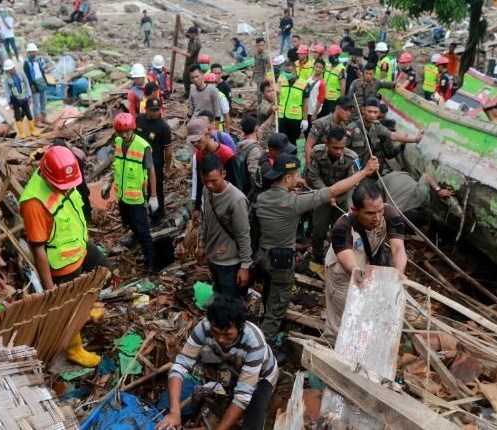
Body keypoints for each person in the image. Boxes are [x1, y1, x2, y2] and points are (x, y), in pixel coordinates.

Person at [254, 153, 379, 343]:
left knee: (269, 293)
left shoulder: (262, 198)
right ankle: (264, 345)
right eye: (296, 176)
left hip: (262, 257)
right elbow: (334, 190)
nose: (298, 179)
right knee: (277, 305)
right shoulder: (293, 203)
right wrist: (364, 172)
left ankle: (262, 325)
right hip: (281, 261)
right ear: (287, 178)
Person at [19, 146, 110, 367]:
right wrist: (50, 287)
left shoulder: (64, 177)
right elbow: (37, 248)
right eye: (62, 186)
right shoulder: (34, 203)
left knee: (105, 271)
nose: (67, 189)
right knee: (69, 307)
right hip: (62, 263)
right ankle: (74, 349)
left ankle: (87, 308)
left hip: (80, 247)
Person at [157, 294, 278, 430]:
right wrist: (174, 412)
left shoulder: (255, 343)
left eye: (227, 334)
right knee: (228, 407)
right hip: (237, 369)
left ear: (240, 327)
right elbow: (180, 366)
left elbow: (243, 396)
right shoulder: (204, 328)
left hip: (263, 376)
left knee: (252, 422)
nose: (220, 339)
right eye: (216, 332)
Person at [322, 181, 407, 343]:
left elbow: (398, 248)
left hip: (364, 266)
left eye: (380, 211)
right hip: (341, 272)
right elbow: (345, 258)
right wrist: (359, 275)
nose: (377, 218)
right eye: (370, 213)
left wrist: (399, 273)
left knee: (365, 313)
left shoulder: (390, 214)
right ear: (354, 210)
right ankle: (331, 345)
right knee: (341, 318)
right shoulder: (342, 226)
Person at [102, 113, 158, 272]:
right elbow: (118, 165)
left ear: (133, 128)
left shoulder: (143, 146)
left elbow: (151, 171)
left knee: (143, 231)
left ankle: (151, 261)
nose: (125, 135)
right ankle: (134, 240)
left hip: (136, 198)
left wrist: (153, 195)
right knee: (129, 223)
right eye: (121, 132)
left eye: (127, 131)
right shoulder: (118, 142)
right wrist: (109, 182)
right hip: (122, 195)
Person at [197, 156, 253, 296]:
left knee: (231, 300)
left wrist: (245, 266)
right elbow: (205, 219)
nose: (210, 185)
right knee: (219, 293)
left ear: (223, 174)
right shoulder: (206, 191)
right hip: (213, 256)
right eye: (205, 181)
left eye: (214, 181)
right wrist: (202, 244)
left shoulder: (236, 200)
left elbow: (243, 234)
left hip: (230, 262)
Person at [307, 128, 359, 264]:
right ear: (326, 143)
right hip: (322, 196)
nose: (338, 151)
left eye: (342, 148)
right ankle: (317, 256)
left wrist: (344, 200)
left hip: (343, 197)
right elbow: (314, 175)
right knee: (319, 230)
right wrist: (327, 194)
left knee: (342, 229)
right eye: (335, 147)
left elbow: (353, 182)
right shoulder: (316, 152)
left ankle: (339, 258)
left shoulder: (352, 157)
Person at [188, 118, 242, 222]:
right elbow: (200, 181)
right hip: (210, 199)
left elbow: (237, 183)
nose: (196, 144)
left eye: (198, 140)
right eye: (193, 142)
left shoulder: (227, 154)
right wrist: (197, 206)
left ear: (207, 135)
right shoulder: (199, 155)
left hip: (227, 199)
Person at [348, 97, 422, 170]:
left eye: (375, 112)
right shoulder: (352, 128)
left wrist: (415, 140)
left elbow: (393, 136)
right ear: (363, 110)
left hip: (369, 168)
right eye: (369, 111)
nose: (372, 115)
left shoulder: (377, 126)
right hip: (354, 169)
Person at [136, 98, 171, 225]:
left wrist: (168, 168)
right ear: (146, 109)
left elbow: (168, 150)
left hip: (156, 163)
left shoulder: (163, 127)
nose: (155, 112)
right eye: (152, 110)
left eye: (157, 110)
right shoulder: (139, 119)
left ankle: (158, 215)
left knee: (156, 188)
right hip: (138, 160)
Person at [382, 170, 453, 223]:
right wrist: (439, 190)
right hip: (396, 176)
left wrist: (439, 190)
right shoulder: (392, 212)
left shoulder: (422, 193)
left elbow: (426, 175)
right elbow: (425, 175)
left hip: (398, 177)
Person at [305, 96, 353, 165]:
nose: (348, 113)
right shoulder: (321, 123)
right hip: (317, 162)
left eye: (350, 111)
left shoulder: (344, 126)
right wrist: (309, 166)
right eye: (345, 110)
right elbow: (308, 145)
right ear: (337, 108)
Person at [3, 59, 40, 138]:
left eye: (11, 69)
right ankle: (22, 133)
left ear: (14, 67)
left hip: (24, 98)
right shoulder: (6, 79)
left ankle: (33, 130)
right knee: (17, 116)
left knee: (29, 114)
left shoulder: (21, 74)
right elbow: (7, 91)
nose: (10, 71)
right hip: (15, 100)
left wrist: (29, 96)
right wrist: (9, 102)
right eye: (8, 70)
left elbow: (27, 84)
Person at [276, 61, 310, 145]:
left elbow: (305, 102)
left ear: (295, 71)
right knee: (282, 141)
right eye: (285, 72)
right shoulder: (281, 81)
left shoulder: (304, 84)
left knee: (292, 141)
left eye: (289, 72)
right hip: (282, 117)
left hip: (295, 118)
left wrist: (305, 119)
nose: (287, 74)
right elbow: (278, 98)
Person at [237, 116, 270, 199]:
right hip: (249, 193)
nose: (260, 130)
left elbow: (263, 128)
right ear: (256, 128)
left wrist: (272, 116)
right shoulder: (254, 150)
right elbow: (254, 175)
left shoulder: (242, 142)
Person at [23, 43, 49, 127]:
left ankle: (43, 118)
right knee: (36, 103)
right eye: (31, 52)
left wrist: (46, 82)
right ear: (28, 53)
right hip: (34, 85)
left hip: (41, 82)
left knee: (44, 101)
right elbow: (27, 77)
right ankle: (37, 121)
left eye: (34, 51)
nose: (33, 53)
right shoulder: (27, 63)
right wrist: (31, 86)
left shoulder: (38, 61)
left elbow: (42, 72)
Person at [172, 26, 201, 99]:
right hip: (189, 63)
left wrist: (178, 51)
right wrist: (180, 25)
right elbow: (185, 34)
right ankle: (188, 93)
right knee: (185, 79)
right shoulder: (192, 38)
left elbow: (189, 55)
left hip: (192, 64)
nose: (189, 35)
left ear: (194, 34)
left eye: (190, 34)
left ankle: (191, 94)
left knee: (190, 79)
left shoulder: (196, 43)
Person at [320, 45, 346, 118]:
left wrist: (341, 102)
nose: (329, 57)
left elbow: (343, 86)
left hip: (334, 100)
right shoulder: (328, 66)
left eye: (330, 55)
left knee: (331, 118)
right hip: (324, 97)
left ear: (336, 56)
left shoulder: (341, 69)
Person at [305, 59, 326, 134]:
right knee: (305, 130)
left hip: (314, 111)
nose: (318, 69)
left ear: (323, 70)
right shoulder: (309, 78)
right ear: (314, 66)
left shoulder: (322, 82)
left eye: (320, 67)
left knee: (312, 132)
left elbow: (321, 99)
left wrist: (315, 113)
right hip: (306, 110)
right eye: (317, 66)